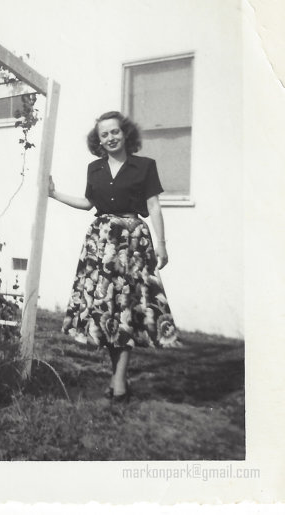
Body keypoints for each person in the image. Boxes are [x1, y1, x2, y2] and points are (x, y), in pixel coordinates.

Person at [49, 111, 179, 404]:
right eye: (103, 135)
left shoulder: (144, 166)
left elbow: (154, 206)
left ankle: (118, 381)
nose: (109, 138)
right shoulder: (94, 169)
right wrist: (54, 194)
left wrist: (161, 244)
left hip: (132, 242)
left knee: (127, 307)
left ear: (125, 133)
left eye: (114, 132)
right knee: (107, 309)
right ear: (98, 140)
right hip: (102, 243)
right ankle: (119, 378)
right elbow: (88, 203)